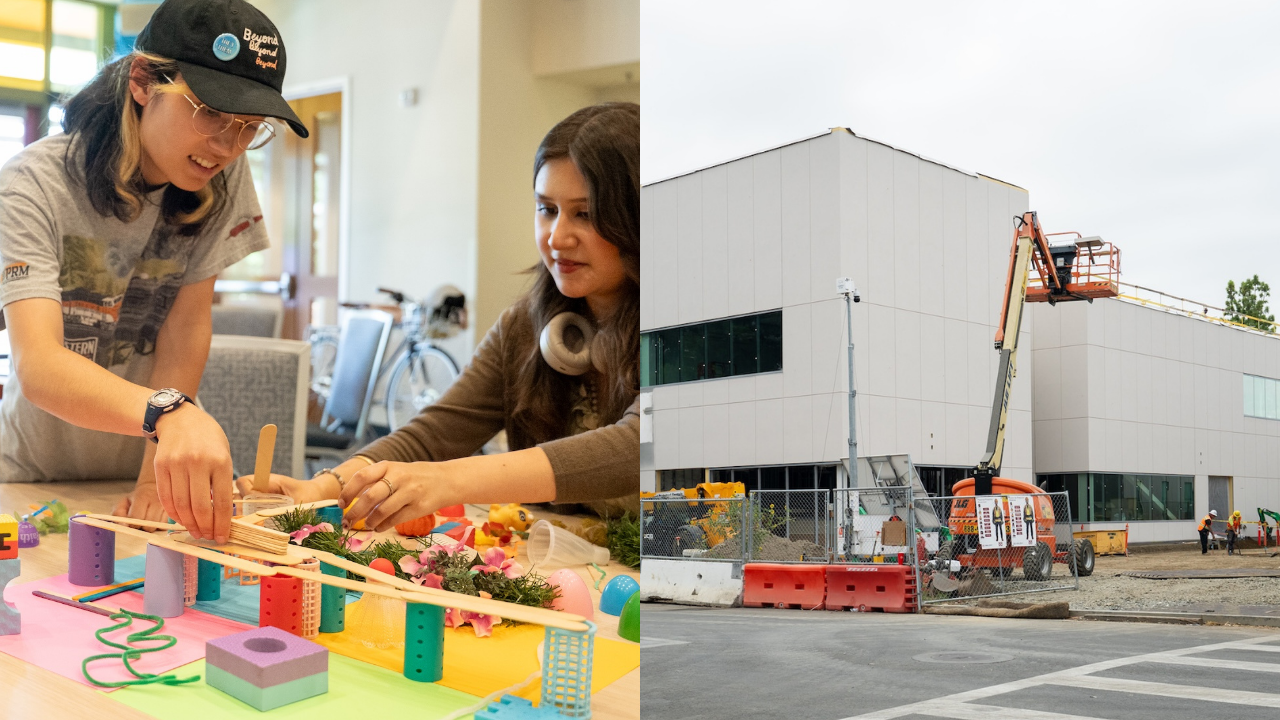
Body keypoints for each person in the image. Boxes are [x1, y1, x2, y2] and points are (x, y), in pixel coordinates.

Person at [241, 103, 640, 532]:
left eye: (585, 213)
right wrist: (323, 488)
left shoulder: (691, 330)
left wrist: (449, 480)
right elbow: (434, 435)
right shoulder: (522, 328)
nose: (558, 237)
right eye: (546, 209)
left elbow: (639, 446)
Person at [0, 0, 308, 543]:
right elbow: (39, 362)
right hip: (35, 469)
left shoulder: (220, 180)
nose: (227, 148)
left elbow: (185, 330)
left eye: (250, 128)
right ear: (143, 80)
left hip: (140, 465)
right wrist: (169, 414)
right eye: (210, 112)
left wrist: (155, 475)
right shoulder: (32, 184)